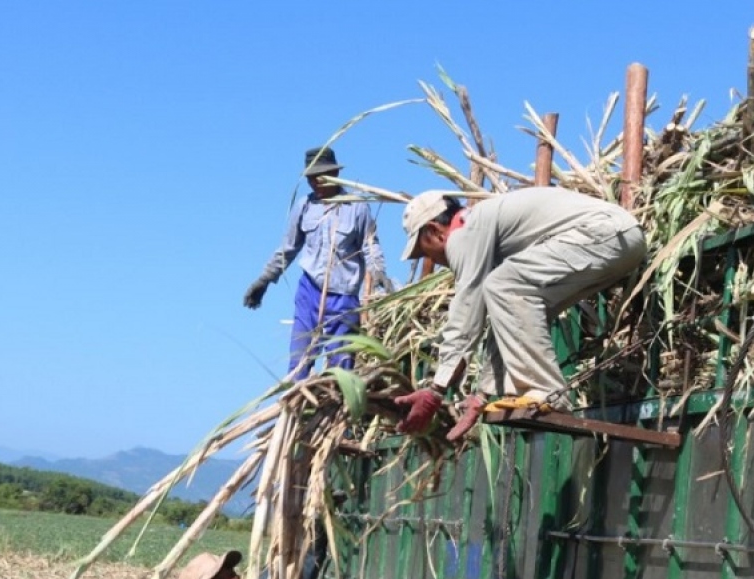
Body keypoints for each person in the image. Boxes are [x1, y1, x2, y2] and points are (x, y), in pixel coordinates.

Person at [392, 187, 647, 441]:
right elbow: (508, 317)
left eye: (425, 251)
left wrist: (436, 390)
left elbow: (466, 309)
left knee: (503, 284)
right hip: (620, 240)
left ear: (435, 231)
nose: (432, 260)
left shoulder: (464, 232)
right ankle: (543, 391)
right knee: (509, 290)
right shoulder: (487, 234)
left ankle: (545, 391)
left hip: (602, 233)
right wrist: (482, 394)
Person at [243, 146, 393, 377]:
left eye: (321, 178)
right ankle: (297, 406)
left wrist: (380, 273)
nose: (316, 184)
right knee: (298, 366)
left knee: (340, 369)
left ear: (335, 175)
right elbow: (288, 248)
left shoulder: (357, 208)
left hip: (343, 300)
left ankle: (336, 408)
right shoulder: (304, 207)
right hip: (309, 293)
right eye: (311, 179)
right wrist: (264, 280)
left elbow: (370, 246)